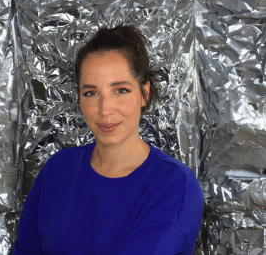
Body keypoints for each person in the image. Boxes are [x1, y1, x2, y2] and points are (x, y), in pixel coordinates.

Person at [12, 25, 204, 254]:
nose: (105, 110)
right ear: (79, 98)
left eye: (120, 90)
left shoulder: (175, 186)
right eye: (91, 93)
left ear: (144, 93)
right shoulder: (57, 169)